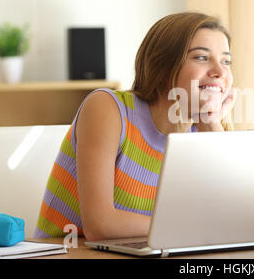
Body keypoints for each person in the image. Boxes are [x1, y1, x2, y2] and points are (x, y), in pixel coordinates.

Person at [34, 12, 236, 240]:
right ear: (163, 66)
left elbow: (231, 218)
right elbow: (100, 225)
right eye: (201, 57)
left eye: (226, 61)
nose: (220, 72)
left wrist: (212, 126)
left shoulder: (204, 131)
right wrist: (195, 227)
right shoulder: (107, 109)